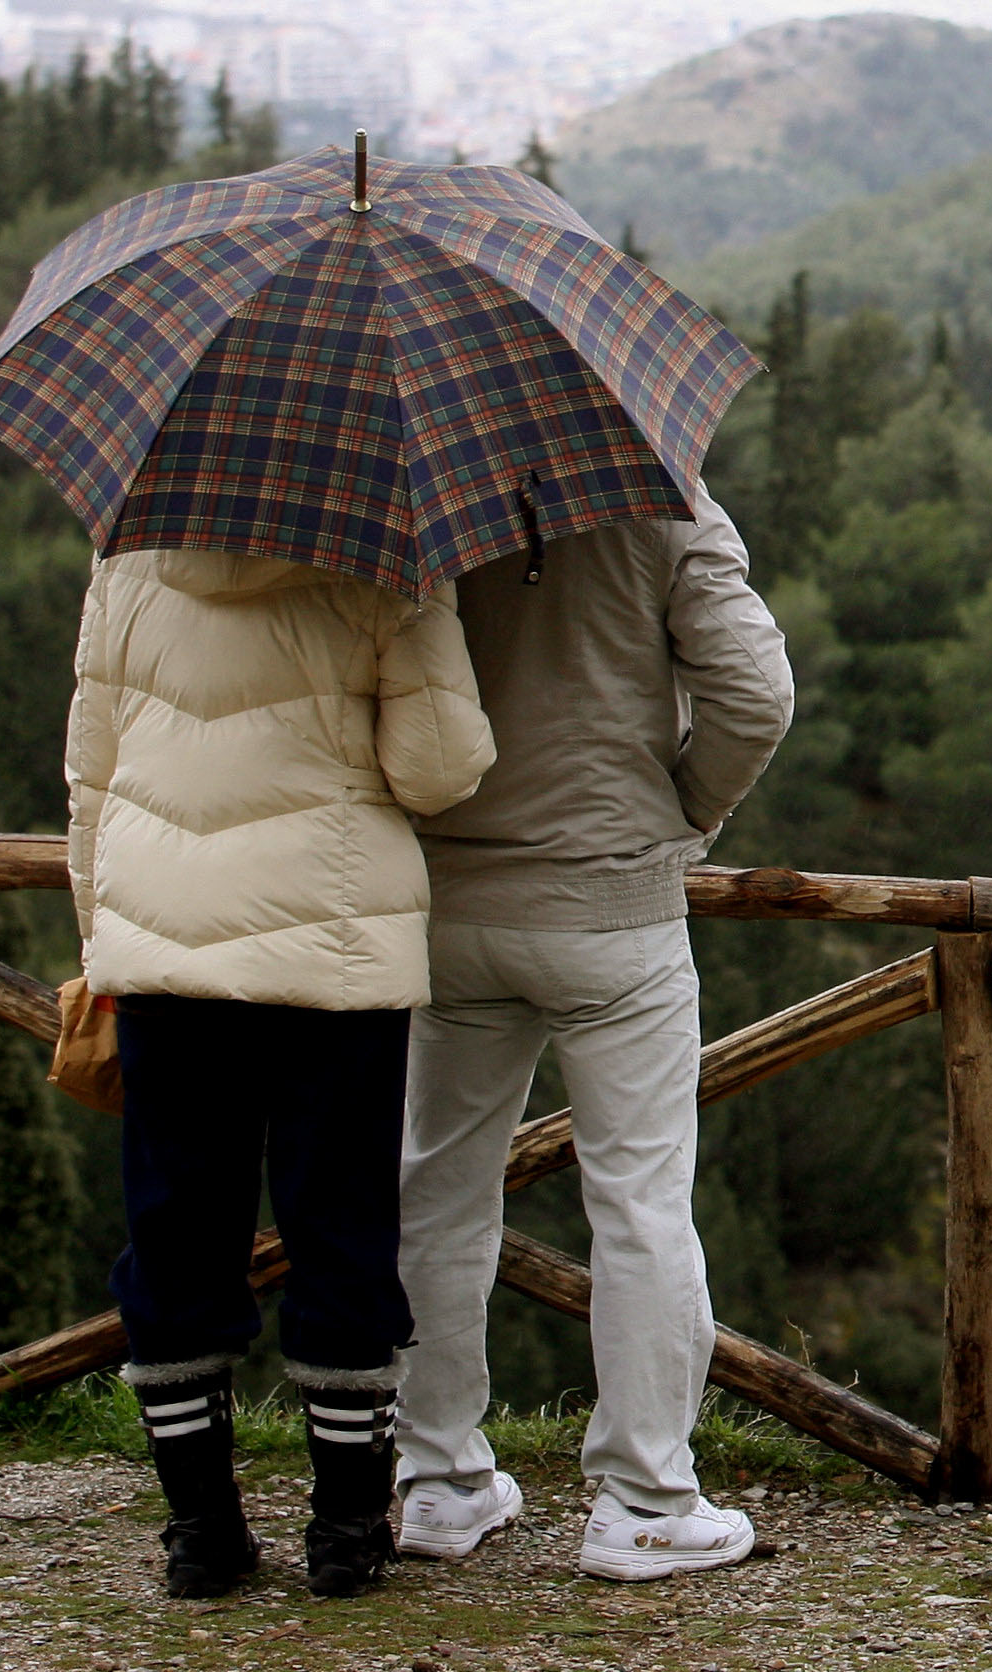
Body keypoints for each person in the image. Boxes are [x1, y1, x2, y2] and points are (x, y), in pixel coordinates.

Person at [70, 548, 496, 1601]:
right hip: (336, 955)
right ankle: (346, 1529)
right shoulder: (388, 563)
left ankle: (201, 1531)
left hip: (165, 948)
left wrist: (100, 944)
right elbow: (439, 769)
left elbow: (90, 772)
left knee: (175, 1232)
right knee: (341, 1230)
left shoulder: (126, 559)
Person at [390, 483, 792, 1580]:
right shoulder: (667, 504)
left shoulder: (427, 494)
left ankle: (435, 1480)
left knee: (437, 1188)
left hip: (453, 897)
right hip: (614, 904)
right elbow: (756, 694)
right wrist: (686, 810)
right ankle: (644, 1498)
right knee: (641, 1199)